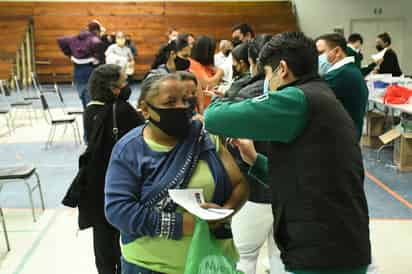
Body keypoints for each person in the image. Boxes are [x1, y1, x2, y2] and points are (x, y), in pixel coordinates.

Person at [204, 32, 371, 274]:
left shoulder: (297, 99)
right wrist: (254, 160)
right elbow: (301, 176)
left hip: (324, 252)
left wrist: (232, 92)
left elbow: (215, 118)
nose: (266, 82)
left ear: (282, 69)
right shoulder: (319, 94)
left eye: (267, 75)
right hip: (334, 243)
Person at [104, 73, 249, 274]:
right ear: (146, 109)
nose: (181, 107)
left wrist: (223, 213)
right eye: (170, 102)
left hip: (212, 263)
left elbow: (240, 185)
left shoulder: (205, 137)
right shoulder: (129, 149)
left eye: (185, 100)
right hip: (151, 266)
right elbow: (118, 210)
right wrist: (185, 225)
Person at [80, 64, 144, 274]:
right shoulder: (123, 109)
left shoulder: (90, 110)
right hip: (121, 181)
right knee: (124, 235)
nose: (127, 86)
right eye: (124, 82)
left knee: (103, 243)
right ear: (112, 88)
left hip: (96, 182)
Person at [317, 33, 369, 140]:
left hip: (340, 141)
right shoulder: (350, 70)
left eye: (321, 53)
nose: (318, 58)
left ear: (337, 51)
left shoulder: (339, 75)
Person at [57, 21, 104, 108]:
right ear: (97, 31)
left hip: (77, 70)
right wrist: (97, 58)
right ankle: (91, 117)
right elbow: (97, 44)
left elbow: (60, 40)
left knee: (82, 95)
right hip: (90, 70)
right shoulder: (94, 39)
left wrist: (69, 54)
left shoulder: (75, 37)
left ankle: (86, 115)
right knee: (91, 98)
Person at [189, 35, 224, 109]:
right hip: (203, 109)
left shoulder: (206, 65)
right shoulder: (192, 63)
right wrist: (220, 72)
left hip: (212, 105)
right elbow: (207, 84)